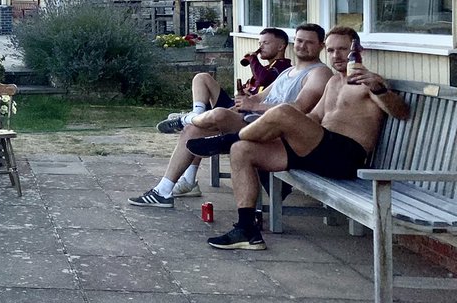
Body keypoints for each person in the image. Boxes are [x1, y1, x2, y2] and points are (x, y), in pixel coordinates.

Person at [188, 26, 410, 250]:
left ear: (357, 50)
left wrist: (378, 89)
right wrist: (288, 129)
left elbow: (401, 112)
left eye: (343, 49)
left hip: (345, 156)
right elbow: (314, 117)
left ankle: (227, 140)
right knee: (242, 150)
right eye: (331, 50)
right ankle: (246, 230)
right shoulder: (333, 82)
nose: (336, 55)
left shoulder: (369, 82)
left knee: (284, 111)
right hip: (318, 151)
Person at [128, 23, 331, 208]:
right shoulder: (289, 71)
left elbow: (298, 107)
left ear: (321, 46)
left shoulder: (319, 73)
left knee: (216, 114)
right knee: (193, 130)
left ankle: (185, 118)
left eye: (309, 42)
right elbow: (260, 97)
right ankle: (163, 191)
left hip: (275, 134)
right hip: (254, 121)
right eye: (300, 41)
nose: (302, 46)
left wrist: (254, 106)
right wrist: (243, 102)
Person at [155, 27, 290, 134]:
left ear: (281, 46)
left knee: (193, 131)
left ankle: (189, 120)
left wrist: (253, 59)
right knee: (202, 77)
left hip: (243, 113)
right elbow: (259, 82)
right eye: (259, 43)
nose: (261, 47)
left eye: (265, 43)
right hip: (235, 104)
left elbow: (264, 79)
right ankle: (196, 114)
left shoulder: (283, 68)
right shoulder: (266, 67)